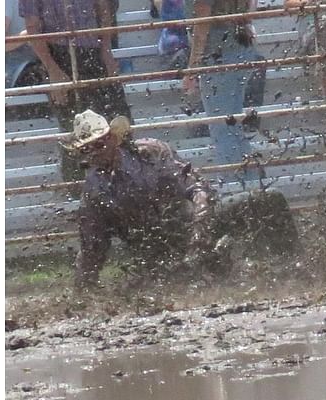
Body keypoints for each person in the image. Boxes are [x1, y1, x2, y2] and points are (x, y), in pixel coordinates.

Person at [66, 110, 216, 290]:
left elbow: (197, 188)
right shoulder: (93, 191)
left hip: (186, 230)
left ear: (113, 138)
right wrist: (82, 290)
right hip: (148, 250)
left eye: (98, 144)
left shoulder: (151, 153)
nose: (93, 154)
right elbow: (91, 248)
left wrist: (199, 229)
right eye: (85, 149)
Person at [19, 0, 134, 185]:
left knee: (117, 118)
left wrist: (105, 50)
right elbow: (32, 27)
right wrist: (53, 69)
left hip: (92, 51)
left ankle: (128, 182)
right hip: (58, 55)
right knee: (76, 128)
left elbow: (102, 8)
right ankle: (80, 191)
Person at [183, 0, 267, 187]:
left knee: (222, 126)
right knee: (233, 123)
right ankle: (249, 182)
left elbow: (202, 16)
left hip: (219, 55)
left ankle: (234, 186)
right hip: (240, 48)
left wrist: (193, 67)